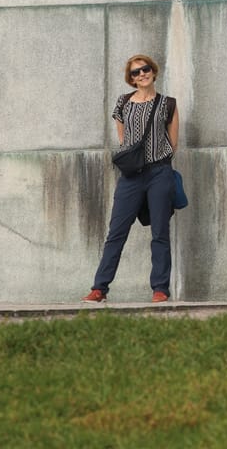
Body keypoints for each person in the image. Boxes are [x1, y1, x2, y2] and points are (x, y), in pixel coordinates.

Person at [83, 55, 179, 304]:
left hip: (159, 172)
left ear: (153, 72)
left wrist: (159, 163)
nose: (141, 75)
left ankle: (160, 288)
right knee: (116, 232)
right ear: (131, 79)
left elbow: (173, 142)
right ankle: (99, 288)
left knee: (160, 232)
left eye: (145, 69)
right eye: (135, 73)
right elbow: (123, 140)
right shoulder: (123, 103)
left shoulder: (168, 103)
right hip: (131, 177)